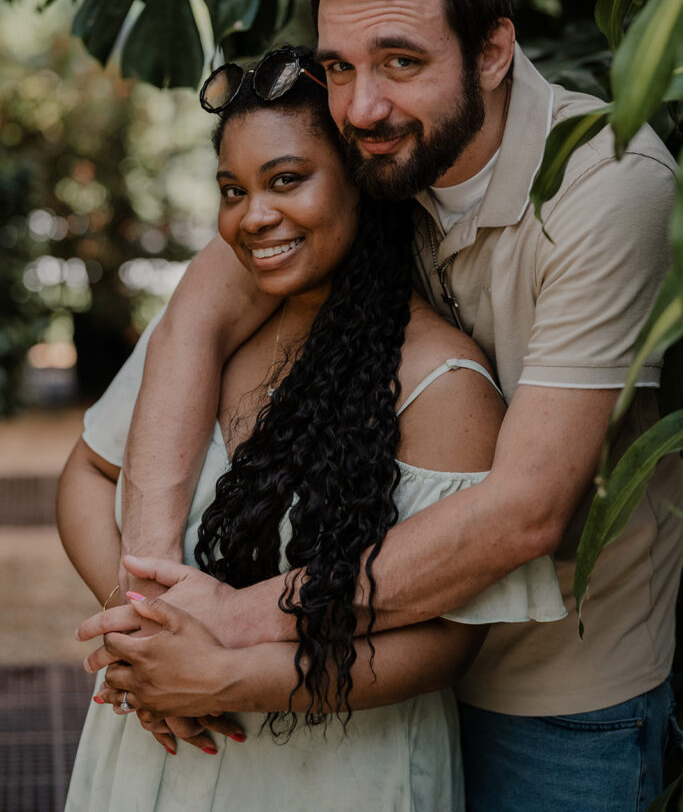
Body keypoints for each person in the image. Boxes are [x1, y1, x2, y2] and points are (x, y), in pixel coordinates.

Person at [79, 0, 682, 811]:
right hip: (348, 671)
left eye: (401, 60)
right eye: (338, 66)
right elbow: (198, 316)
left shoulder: (606, 186)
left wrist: (232, 623)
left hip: (553, 691)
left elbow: (525, 514)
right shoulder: (368, 141)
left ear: (491, 52)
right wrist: (158, 601)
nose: (361, 102)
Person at [60, 46, 566, 811]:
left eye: (286, 180)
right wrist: (147, 637)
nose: (252, 216)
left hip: (334, 776)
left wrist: (222, 672)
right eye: (233, 189)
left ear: (364, 182)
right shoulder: (201, 338)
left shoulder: (443, 386)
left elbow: (448, 644)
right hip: (155, 751)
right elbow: (87, 475)